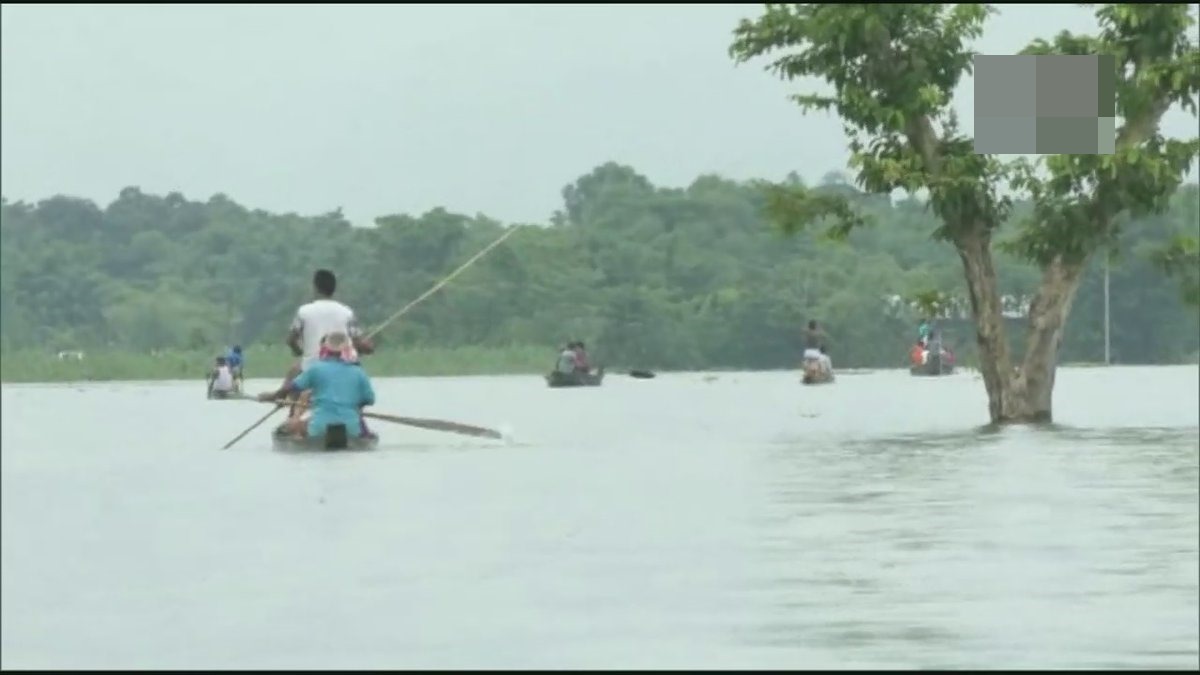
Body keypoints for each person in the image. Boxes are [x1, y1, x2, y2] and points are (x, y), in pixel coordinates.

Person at [263, 332, 376, 440]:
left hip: (319, 427)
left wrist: (275, 397)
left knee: (286, 430)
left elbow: (291, 388)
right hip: (351, 428)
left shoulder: (315, 369)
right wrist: (355, 407)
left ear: (325, 349)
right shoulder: (358, 371)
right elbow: (369, 399)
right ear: (348, 350)